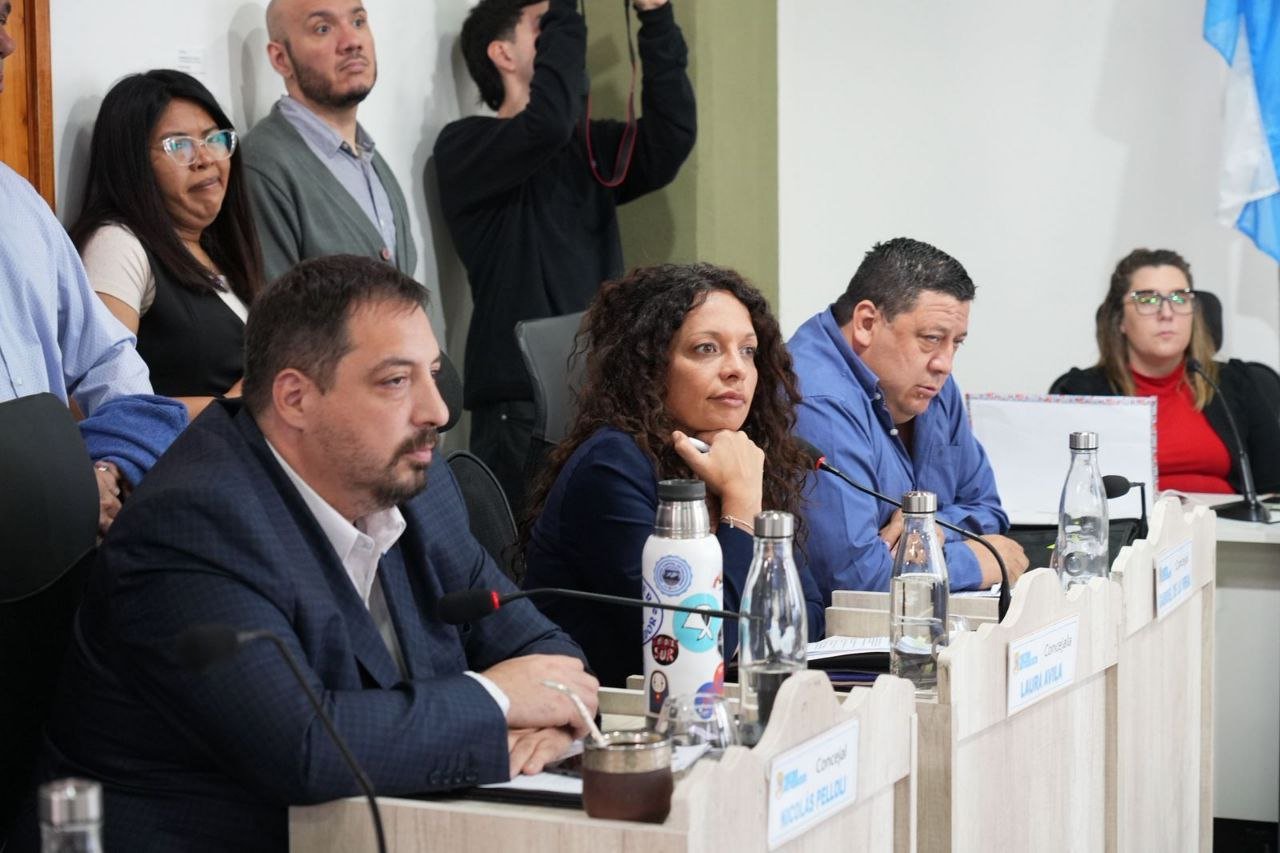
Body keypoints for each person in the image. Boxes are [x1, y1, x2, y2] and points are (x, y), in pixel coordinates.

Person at [33, 255, 596, 852]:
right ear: (295, 397)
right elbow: (304, 748)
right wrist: (498, 700)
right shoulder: (195, 523)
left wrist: (549, 730)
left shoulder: (416, 485)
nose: (436, 411)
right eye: (396, 381)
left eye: (432, 374)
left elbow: (546, 653)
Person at [435, 0, 697, 513]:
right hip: (519, 405)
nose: (561, 34)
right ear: (502, 54)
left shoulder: (585, 150)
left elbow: (671, 136)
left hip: (601, 394)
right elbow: (548, 123)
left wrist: (656, 18)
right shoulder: (464, 145)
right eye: (544, 26)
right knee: (518, 552)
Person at [521, 263, 825, 688]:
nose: (736, 369)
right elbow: (697, 647)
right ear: (649, 364)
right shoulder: (611, 467)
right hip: (622, 715)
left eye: (748, 350)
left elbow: (807, 612)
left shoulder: (739, 453)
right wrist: (741, 505)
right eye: (707, 348)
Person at [788, 238, 1029, 601]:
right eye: (931, 339)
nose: (945, 363)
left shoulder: (931, 387)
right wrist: (976, 561)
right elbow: (858, 581)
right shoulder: (817, 401)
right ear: (866, 323)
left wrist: (932, 529)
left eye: (956, 343)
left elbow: (988, 509)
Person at [71, 70, 264, 419]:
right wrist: (240, 404)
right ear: (133, 162)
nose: (205, 158)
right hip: (181, 454)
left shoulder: (218, 247)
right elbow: (98, 406)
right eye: (179, 145)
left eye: (214, 139)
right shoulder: (117, 244)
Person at [1049, 248, 1280, 494]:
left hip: (1226, 520)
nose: (1167, 313)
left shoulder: (1234, 383)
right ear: (1120, 319)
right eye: (1148, 300)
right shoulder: (1081, 394)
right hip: (1132, 520)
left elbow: (1274, 489)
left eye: (1179, 298)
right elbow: (1062, 493)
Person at [243, 0, 414, 282]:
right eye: (322, 28)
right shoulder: (263, 166)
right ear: (281, 59)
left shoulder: (370, 158)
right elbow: (274, 306)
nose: (352, 41)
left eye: (358, 22)